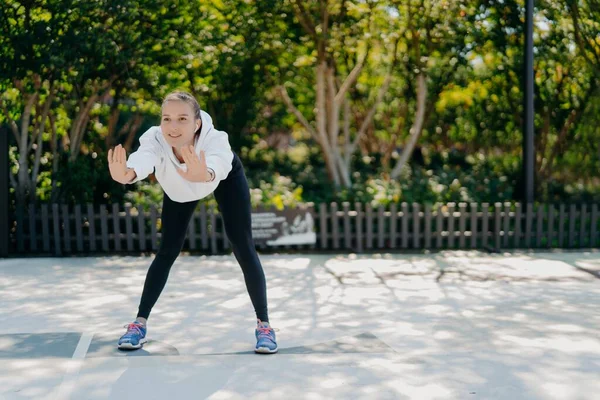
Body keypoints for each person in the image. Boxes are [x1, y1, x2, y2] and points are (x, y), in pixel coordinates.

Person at [107, 91, 277, 354]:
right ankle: (138, 324)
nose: (173, 126)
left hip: (223, 179)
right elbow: (144, 159)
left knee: (242, 244)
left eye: (182, 119)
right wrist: (128, 173)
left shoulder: (214, 139)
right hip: (180, 188)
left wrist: (206, 172)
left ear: (196, 123)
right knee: (167, 251)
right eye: (167, 119)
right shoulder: (154, 138)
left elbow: (220, 163)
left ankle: (264, 326)